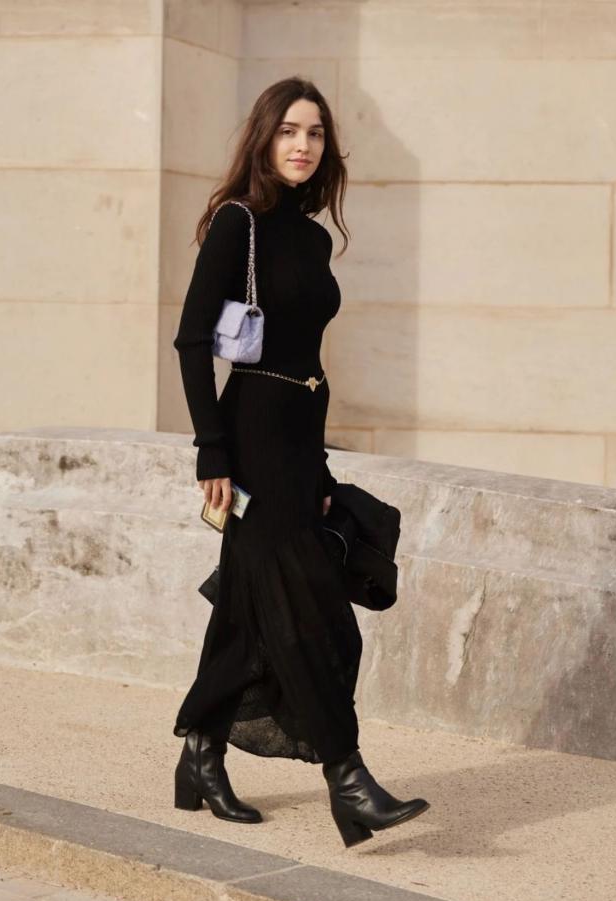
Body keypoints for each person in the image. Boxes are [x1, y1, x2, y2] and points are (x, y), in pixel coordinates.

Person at [172, 76, 430, 848]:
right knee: (317, 619)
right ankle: (349, 780)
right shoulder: (237, 224)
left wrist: (317, 472)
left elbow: (308, 359)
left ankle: (200, 755)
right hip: (249, 441)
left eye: (315, 133)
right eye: (289, 130)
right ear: (265, 137)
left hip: (298, 443)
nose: (302, 145)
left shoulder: (314, 240)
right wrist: (212, 451)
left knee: (250, 611)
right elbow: (192, 341)